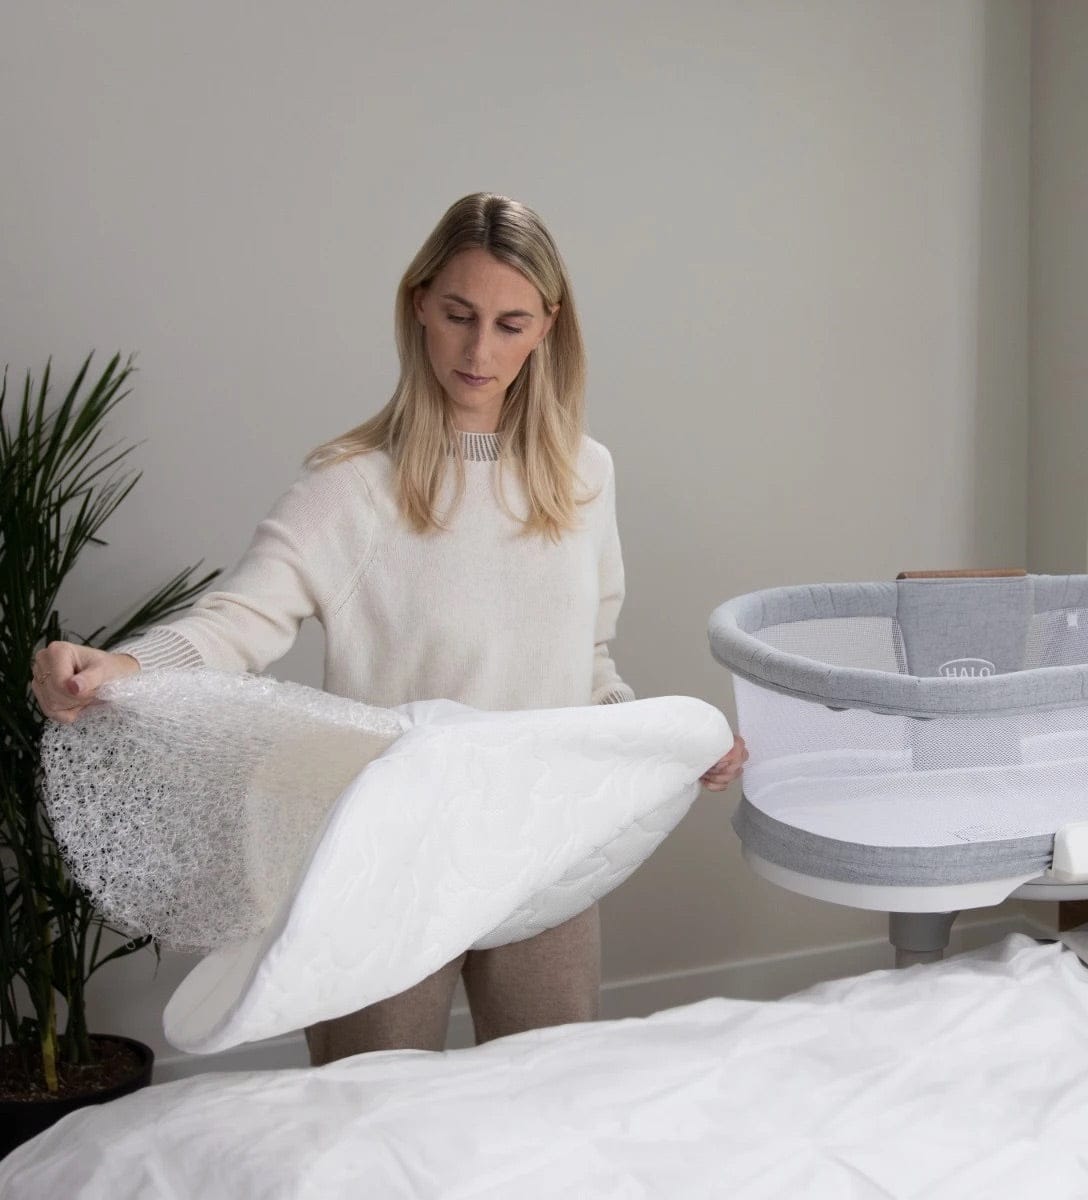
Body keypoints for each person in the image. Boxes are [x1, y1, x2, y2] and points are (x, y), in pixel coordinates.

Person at [32, 192, 748, 1062]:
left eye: (511, 324)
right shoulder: (352, 486)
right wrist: (123, 667)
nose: (479, 352)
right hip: (386, 854)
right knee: (363, 1099)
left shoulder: (584, 477)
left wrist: (658, 748)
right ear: (419, 305)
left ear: (548, 327)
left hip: (544, 843)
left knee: (549, 1100)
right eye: (459, 315)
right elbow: (237, 622)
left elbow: (586, 663)